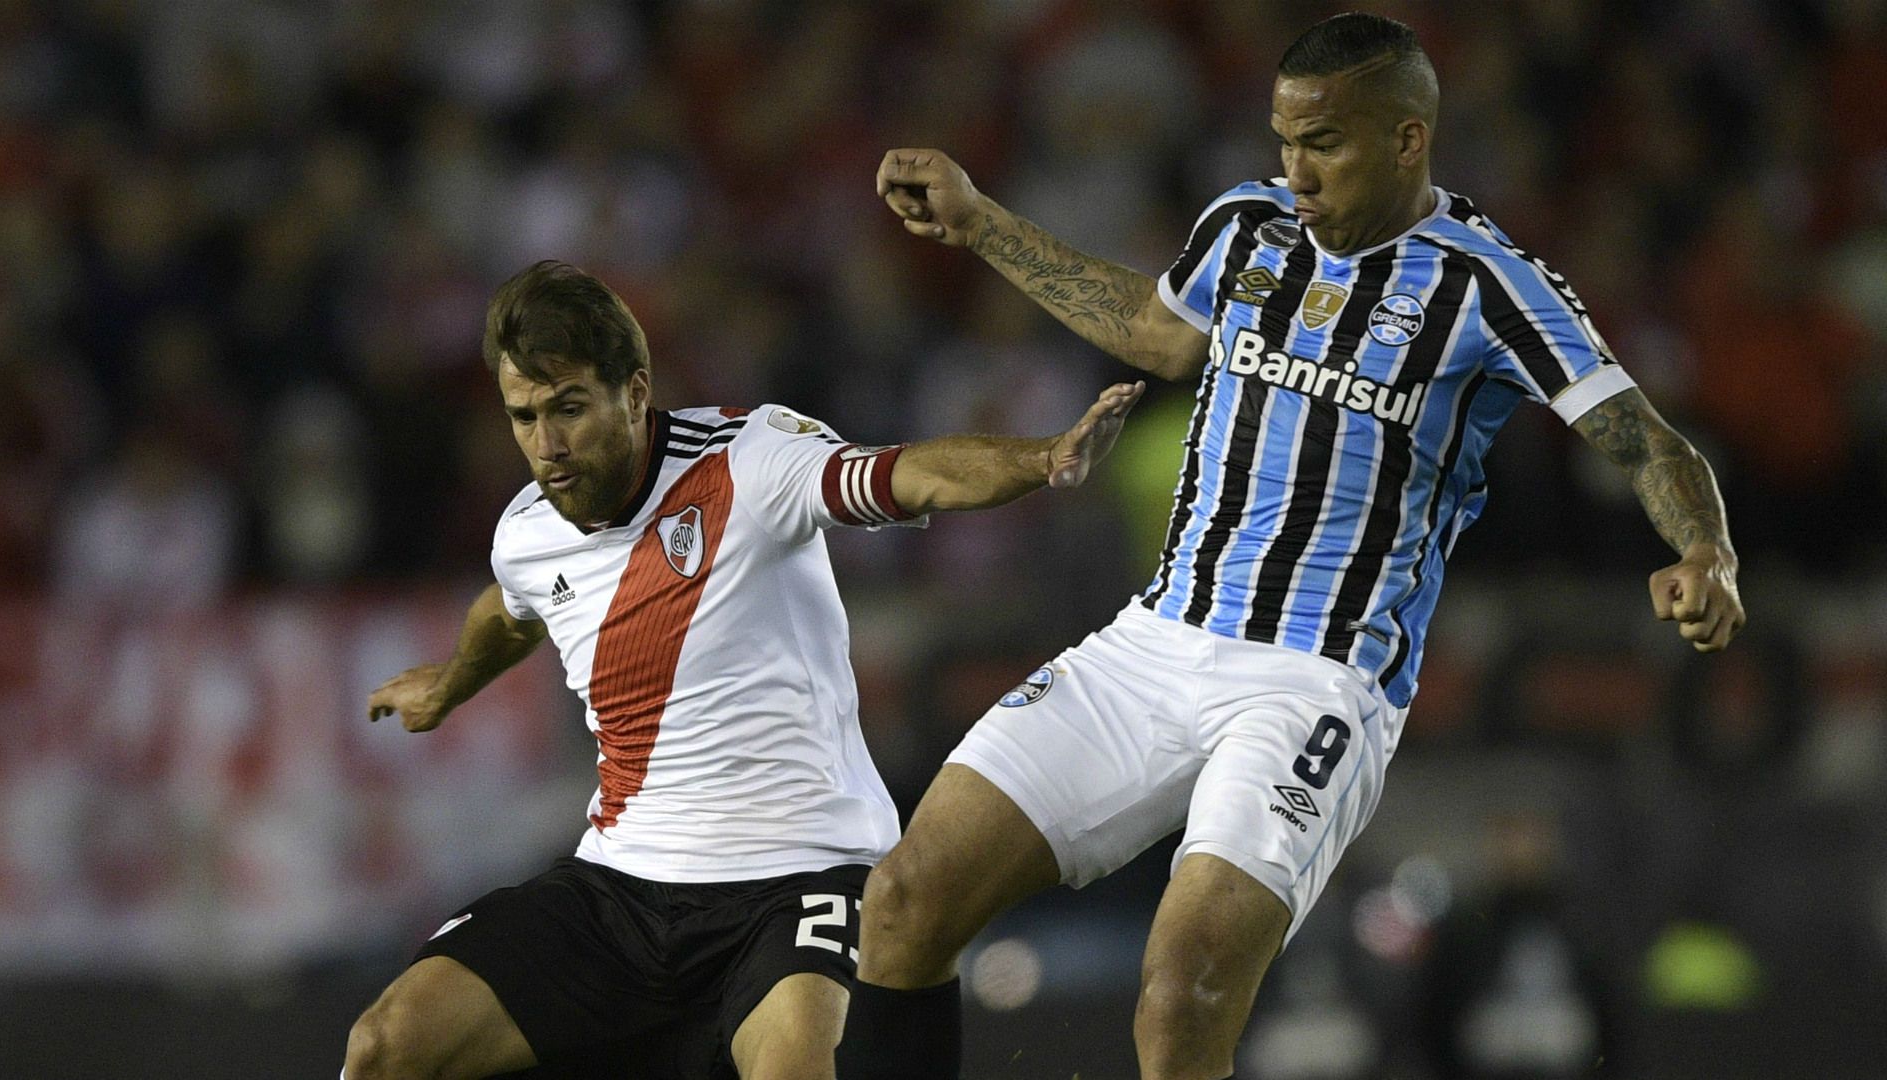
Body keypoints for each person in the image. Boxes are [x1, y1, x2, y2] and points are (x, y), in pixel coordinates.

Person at [838, 12, 1745, 1080]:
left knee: (1183, 992)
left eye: (1323, 144)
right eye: (1283, 141)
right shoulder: (1246, 225)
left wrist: (1707, 551)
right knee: (903, 903)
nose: (1295, 170)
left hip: (1318, 682)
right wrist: (981, 222)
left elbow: (1644, 439)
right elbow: (1155, 333)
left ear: (1406, 139)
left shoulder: (1488, 285)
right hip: (1156, 640)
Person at [342, 259, 1144, 1080]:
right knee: (385, 1047)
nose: (547, 446)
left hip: (802, 878)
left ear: (635, 392)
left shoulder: (750, 458)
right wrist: (448, 684)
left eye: (570, 408)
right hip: (621, 889)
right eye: (525, 417)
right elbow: (509, 611)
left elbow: (909, 473)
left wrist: (1044, 457)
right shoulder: (527, 532)